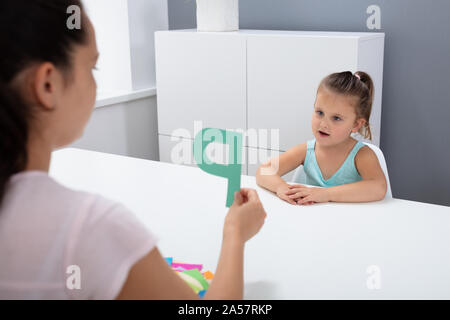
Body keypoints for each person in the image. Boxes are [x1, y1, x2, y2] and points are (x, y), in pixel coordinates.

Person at [0, 0, 266, 299]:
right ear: (48, 84)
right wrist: (235, 235)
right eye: (91, 67)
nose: (94, 84)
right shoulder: (91, 227)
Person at [256, 71, 387, 205]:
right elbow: (264, 171)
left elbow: (379, 188)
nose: (323, 124)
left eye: (336, 118)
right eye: (320, 112)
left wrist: (326, 194)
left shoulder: (362, 155)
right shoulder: (306, 151)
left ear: (355, 124)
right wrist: (281, 188)